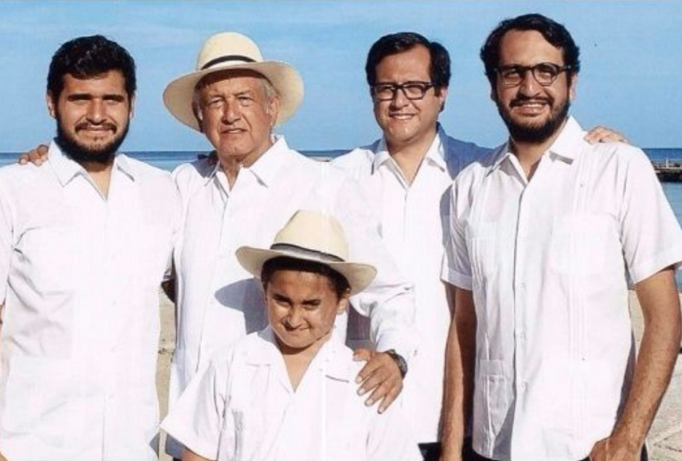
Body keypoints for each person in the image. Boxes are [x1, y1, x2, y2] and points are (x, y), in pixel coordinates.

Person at [332, 31, 628, 461]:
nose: (399, 101)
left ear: (442, 93)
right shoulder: (338, 181)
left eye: (415, 87)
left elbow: (549, 174)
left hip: (467, 424)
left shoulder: (479, 174)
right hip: (367, 419)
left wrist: (603, 151)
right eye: (386, 88)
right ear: (372, 95)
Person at [440, 13, 682, 461]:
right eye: (513, 72)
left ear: (571, 83)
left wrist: (627, 439)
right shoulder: (470, 188)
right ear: (493, 86)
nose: (530, 87)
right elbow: (465, 327)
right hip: (494, 443)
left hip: (592, 445)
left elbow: (664, 318)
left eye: (546, 71)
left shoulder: (619, 168)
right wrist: (451, 448)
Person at [161, 32, 418, 457]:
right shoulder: (183, 186)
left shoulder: (325, 185)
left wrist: (395, 357)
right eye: (215, 101)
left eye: (244, 98)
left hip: (290, 430)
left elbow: (388, 290)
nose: (230, 114)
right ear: (199, 115)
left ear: (273, 107)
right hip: (196, 431)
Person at [0, 35, 180, 461]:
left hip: (133, 446)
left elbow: (192, 287)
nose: (97, 115)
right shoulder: (7, 190)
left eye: (111, 99)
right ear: (52, 102)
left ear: (132, 104)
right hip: (32, 447)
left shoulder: (162, 191)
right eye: (80, 99)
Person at [161, 210, 421, 461]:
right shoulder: (229, 365)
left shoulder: (365, 383)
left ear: (342, 300)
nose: (294, 319)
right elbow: (199, 453)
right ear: (265, 292)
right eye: (282, 301)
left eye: (311, 304)